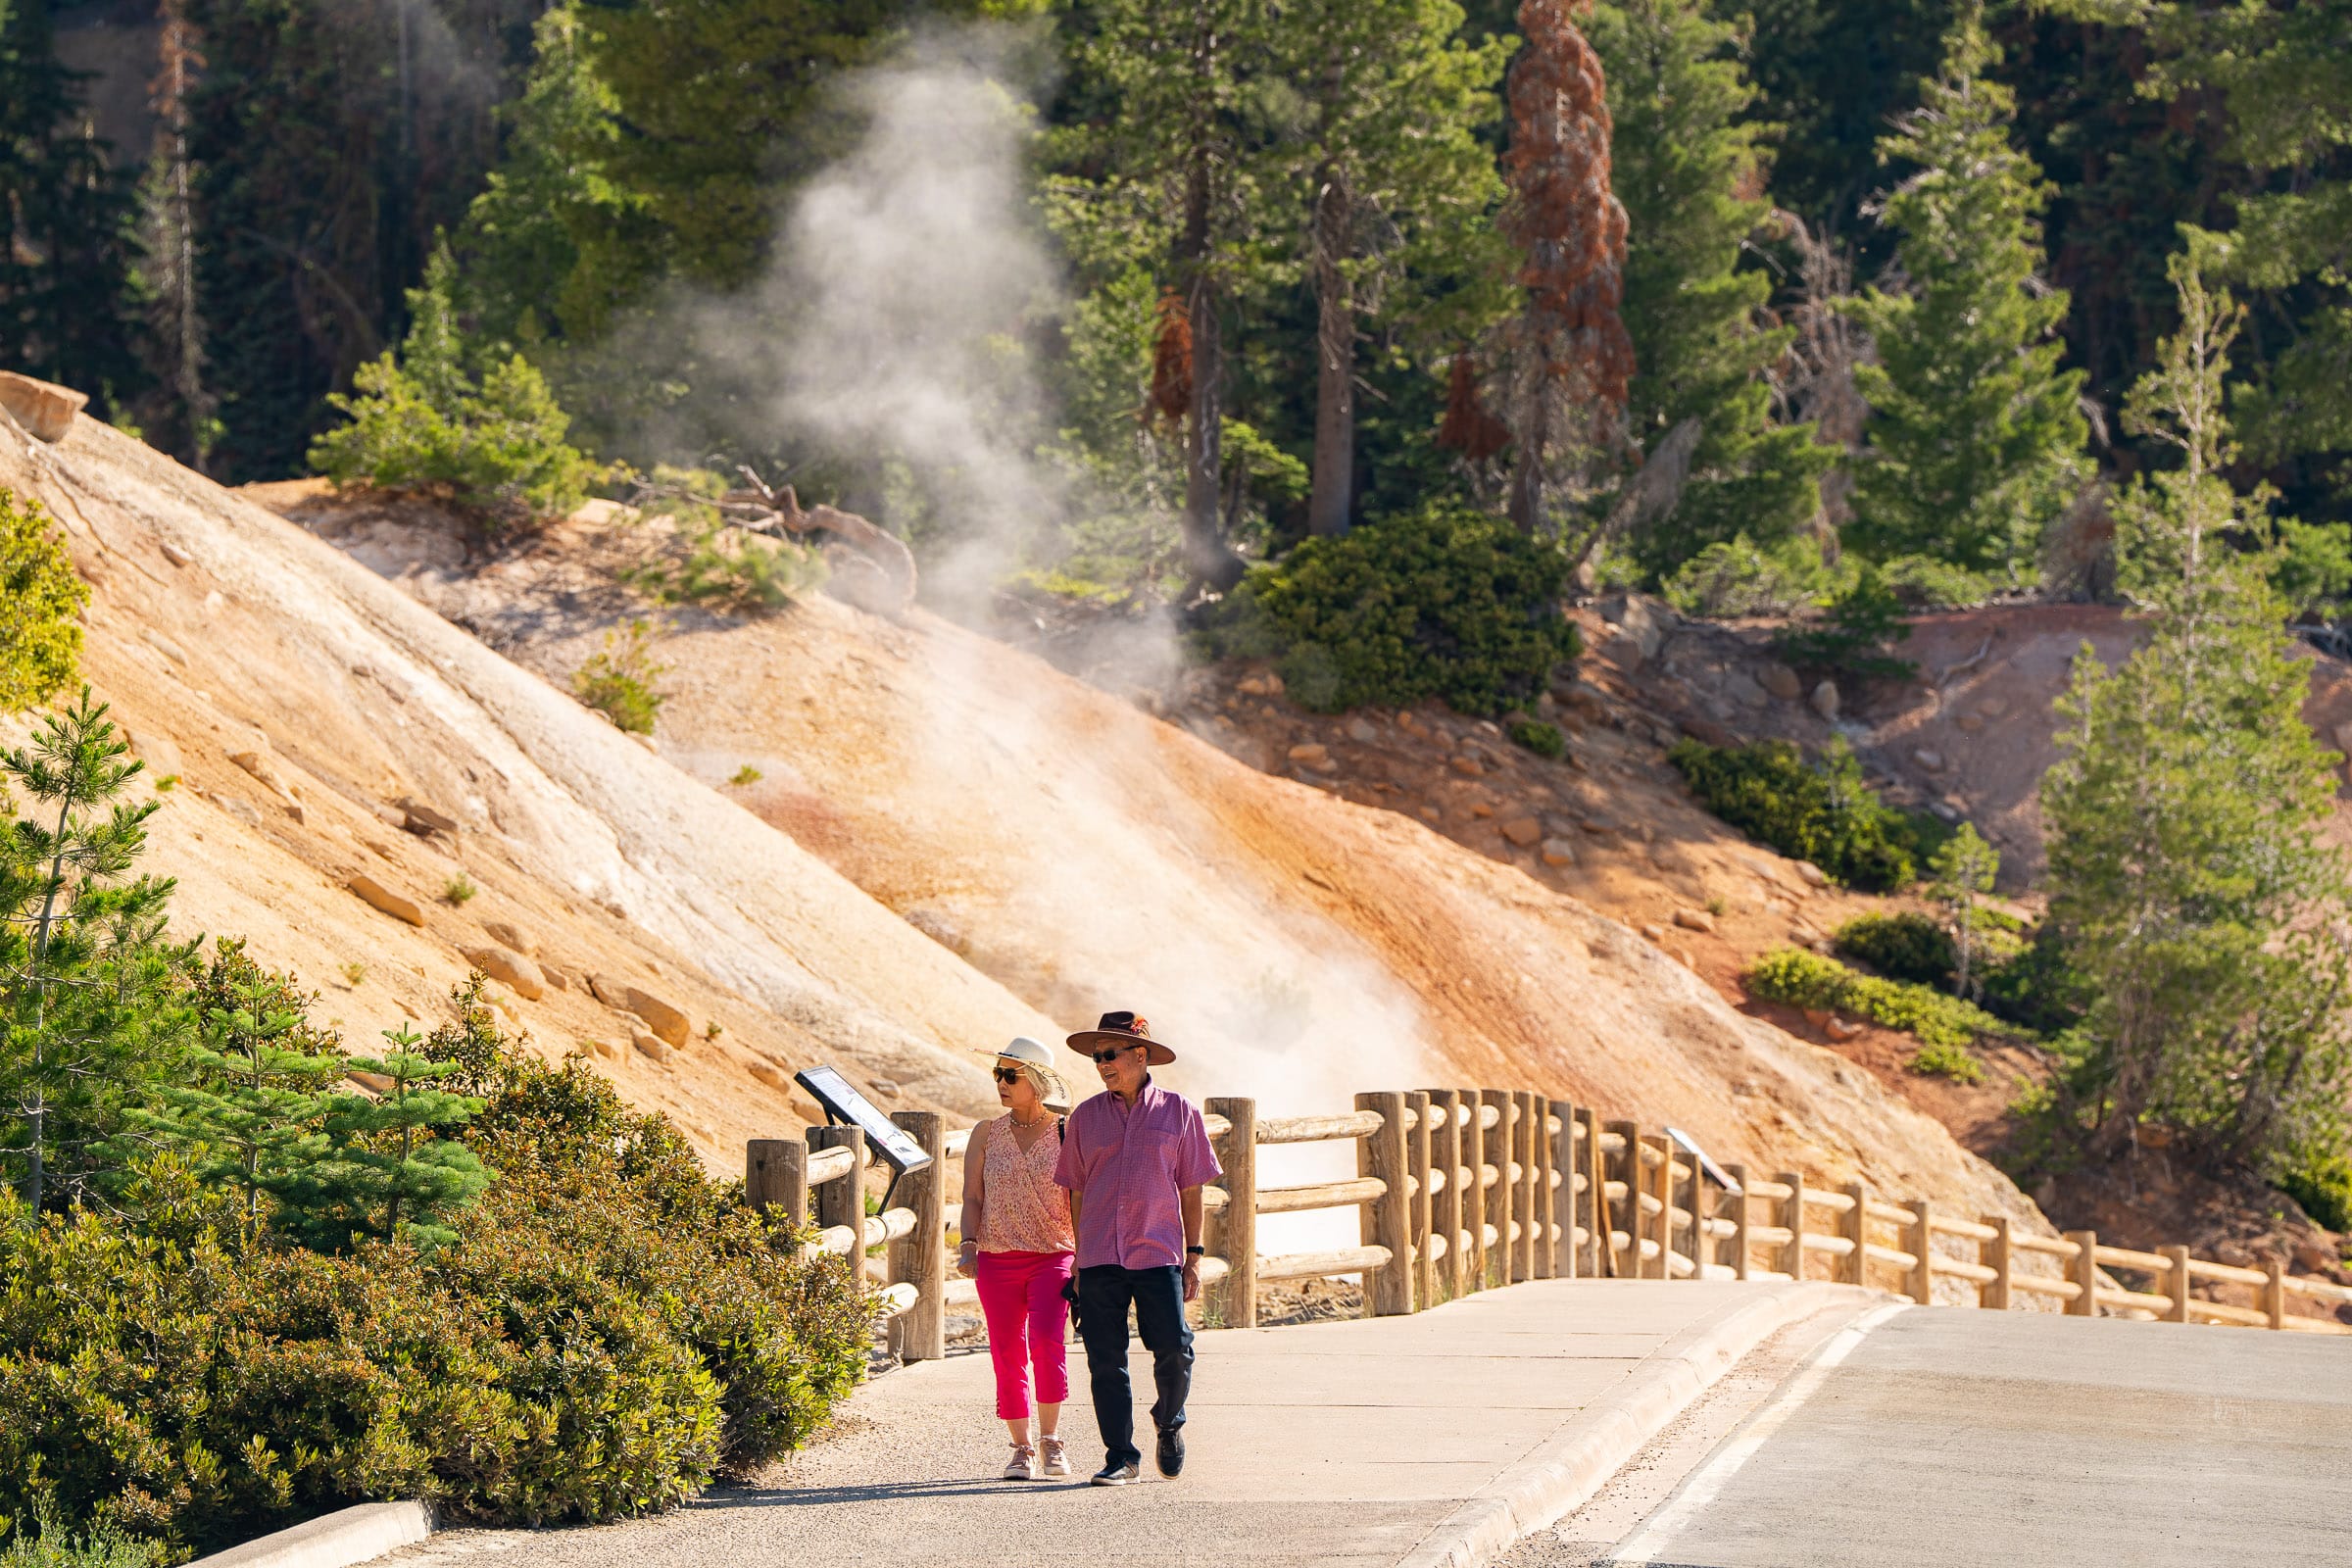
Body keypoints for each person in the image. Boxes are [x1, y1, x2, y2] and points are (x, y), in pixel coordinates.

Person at [1054, 1010, 1221, 1487]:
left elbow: (1191, 1187)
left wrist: (1194, 1255)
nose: (1101, 1064)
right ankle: (1120, 1456)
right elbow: (1077, 1191)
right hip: (1100, 1255)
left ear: (1140, 1055)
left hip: (1159, 1252)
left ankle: (1169, 1422)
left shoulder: (1179, 1112)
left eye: (1110, 1054)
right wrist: (1080, 1260)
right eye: (1096, 1056)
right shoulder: (1085, 1117)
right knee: (1106, 1360)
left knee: (1174, 1348)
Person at [956, 1037, 1077, 1481]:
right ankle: (1021, 1447)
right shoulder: (986, 1132)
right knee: (1007, 1352)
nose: (1001, 1083)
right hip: (996, 1258)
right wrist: (969, 1242)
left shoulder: (1068, 1130)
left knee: (1047, 1342)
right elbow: (972, 1195)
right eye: (998, 1074)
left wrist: (1084, 1255)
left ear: (1039, 1082)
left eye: (1012, 1075)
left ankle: (1051, 1440)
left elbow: (1081, 1198)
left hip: (1053, 1255)